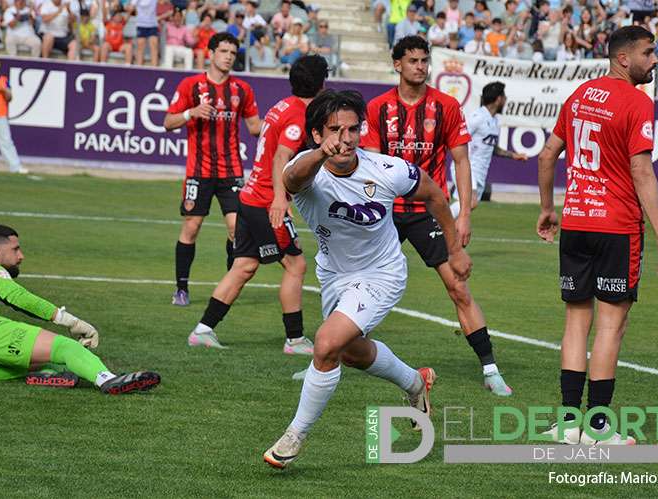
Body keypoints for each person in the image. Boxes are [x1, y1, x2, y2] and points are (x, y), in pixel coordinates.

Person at [263, 89, 472, 469]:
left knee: (325, 344)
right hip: (335, 276)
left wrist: (454, 248)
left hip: (382, 274)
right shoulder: (307, 170)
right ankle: (414, 381)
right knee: (349, 351)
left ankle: (294, 435)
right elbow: (291, 179)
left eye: (352, 129)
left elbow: (434, 195)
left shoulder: (386, 169)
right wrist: (319, 155)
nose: (344, 139)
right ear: (316, 134)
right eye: (334, 130)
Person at [537, 26, 658, 445]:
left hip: (576, 221)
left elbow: (548, 155)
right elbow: (641, 170)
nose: (655, 60)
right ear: (623, 58)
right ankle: (598, 429)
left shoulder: (580, 95)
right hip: (616, 227)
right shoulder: (637, 101)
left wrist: (547, 208)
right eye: (649, 53)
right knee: (611, 327)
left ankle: (566, 424)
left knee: (576, 322)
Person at [361, 36, 512, 396]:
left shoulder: (446, 106)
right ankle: (326, 358)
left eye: (424, 60)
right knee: (355, 283)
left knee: (458, 286)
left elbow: (461, 160)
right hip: (384, 211)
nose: (420, 66)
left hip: (429, 211)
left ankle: (490, 369)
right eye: (412, 60)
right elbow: (369, 164)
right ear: (397, 64)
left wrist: (464, 215)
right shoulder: (378, 107)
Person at [187, 55, 329, 353]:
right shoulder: (297, 116)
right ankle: (294, 339)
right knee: (295, 265)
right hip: (266, 201)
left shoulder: (282, 106)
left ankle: (203, 330)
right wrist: (280, 197)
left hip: (250, 197)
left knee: (244, 265)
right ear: (321, 83)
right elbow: (281, 156)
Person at [0, 224, 161, 394]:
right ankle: (107, 379)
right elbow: (18, 297)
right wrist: (71, 321)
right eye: (16, 249)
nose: (21, 256)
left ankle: (48, 376)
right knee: (65, 346)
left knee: (44, 364)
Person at [164, 32, 262, 306]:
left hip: (231, 171)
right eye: (223, 51)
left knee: (235, 229)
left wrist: (284, 125)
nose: (229, 57)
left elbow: (254, 126)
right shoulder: (190, 85)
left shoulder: (241, 90)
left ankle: (227, 287)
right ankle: (181, 289)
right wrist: (190, 113)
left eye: (232, 53)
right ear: (210, 53)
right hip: (199, 171)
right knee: (192, 227)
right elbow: (167, 122)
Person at [449, 82, 528, 217]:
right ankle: (437, 222)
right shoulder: (477, 118)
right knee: (470, 203)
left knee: (467, 206)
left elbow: (491, 147)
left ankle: (445, 230)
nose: (505, 100)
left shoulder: (494, 120)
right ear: (498, 99)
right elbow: (457, 136)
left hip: (479, 171)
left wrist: (513, 155)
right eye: (504, 97)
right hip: (468, 167)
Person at [127, 0, 159, 66]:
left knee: (154, 46)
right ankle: (139, 67)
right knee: (140, 47)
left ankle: (154, 69)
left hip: (152, 24)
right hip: (141, 24)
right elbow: (130, 8)